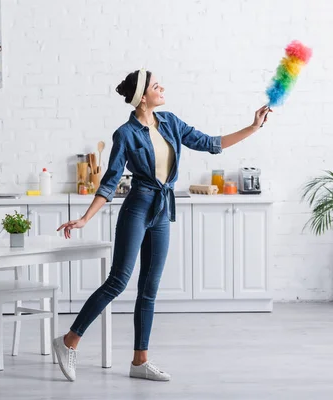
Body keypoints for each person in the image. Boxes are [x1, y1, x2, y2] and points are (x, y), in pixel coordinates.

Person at [53, 69, 270, 382]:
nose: (162, 88)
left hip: (163, 208)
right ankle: (69, 341)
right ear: (143, 98)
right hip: (138, 207)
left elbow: (210, 143)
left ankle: (140, 361)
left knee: (149, 288)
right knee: (117, 281)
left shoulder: (170, 122)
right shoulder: (124, 134)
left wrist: (253, 127)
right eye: (156, 86)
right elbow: (110, 181)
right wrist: (86, 218)